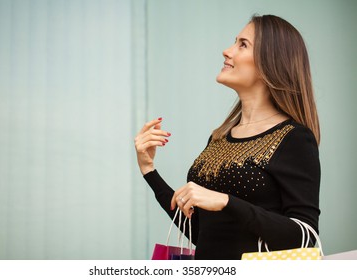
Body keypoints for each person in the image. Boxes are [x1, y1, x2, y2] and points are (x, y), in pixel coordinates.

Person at [134, 14, 321, 260]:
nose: (227, 51)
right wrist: (149, 171)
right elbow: (203, 233)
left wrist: (226, 202)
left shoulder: (294, 138)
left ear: (271, 62)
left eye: (242, 44)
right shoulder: (219, 137)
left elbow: (306, 237)